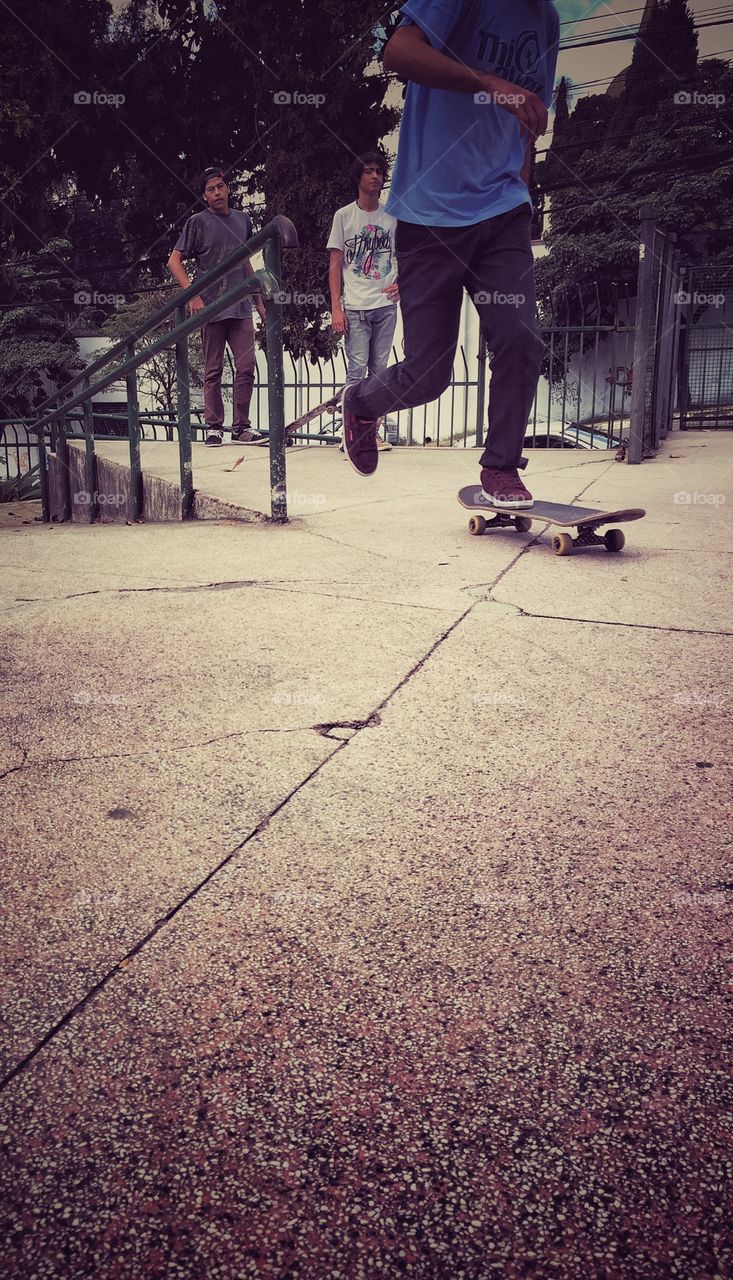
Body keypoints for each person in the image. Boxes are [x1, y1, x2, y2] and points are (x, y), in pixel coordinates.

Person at [339, 0, 560, 507]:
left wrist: (522, 197)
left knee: (521, 339)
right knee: (429, 374)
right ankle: (362, 402)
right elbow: (398, 51)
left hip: (502, 209)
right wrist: (489, 83)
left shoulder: (546, 21)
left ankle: (501, 467)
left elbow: (528, 126)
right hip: (429, 216)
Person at [167, 164, 267, 446]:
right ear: (204, 195)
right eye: (210, 189)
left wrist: (259, 301)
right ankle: (214, 427)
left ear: (228, 188)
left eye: (220, 186)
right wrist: (193, 295)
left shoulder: (242, 220)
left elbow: (246, 261)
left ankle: (241, 427)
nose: (217, 192)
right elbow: (173, 261)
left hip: (240, 306)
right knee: (213, 370)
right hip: (211, 307)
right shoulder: (197, 222)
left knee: (246, 366)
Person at [327, 152, 401, 452]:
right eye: (369, 171)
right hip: (356, 306)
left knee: (380, 373)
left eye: (379, 172)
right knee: (356, 372)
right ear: (358, 177)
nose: (375, 176)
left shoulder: (392, 215)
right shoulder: (344, 216)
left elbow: (406, 255)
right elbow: (335, 263)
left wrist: (403, 283)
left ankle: (372, 433)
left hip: (385, 305)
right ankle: (350, 434)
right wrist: (336, 307)